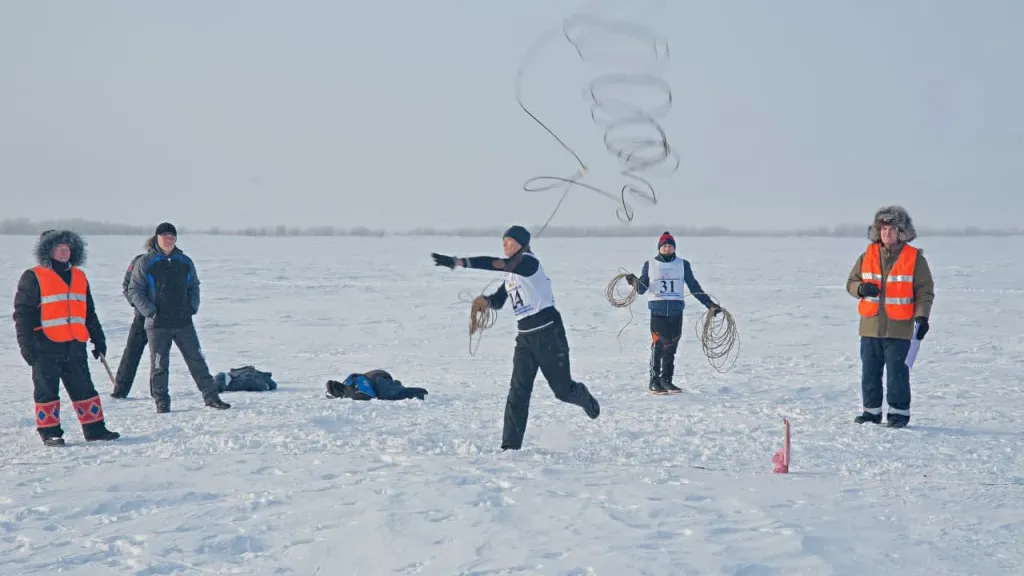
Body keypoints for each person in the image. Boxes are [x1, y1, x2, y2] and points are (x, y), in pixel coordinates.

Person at [430, 225, 600, 451]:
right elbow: (500, 300)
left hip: (549, 334)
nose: (505, 245)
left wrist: (459, 262)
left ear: (523, 243)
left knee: (562, 391)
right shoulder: (512, 274)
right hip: (525, 339)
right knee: (518, 392)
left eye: (509, 241)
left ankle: (583, 396)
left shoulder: (529, 263)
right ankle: (510, 446)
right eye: (503, 241)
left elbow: (497, 263)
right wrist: (485, 302)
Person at [13, 229, 121, 446]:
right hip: (45, 345)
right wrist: (26, 345)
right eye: (58, 248)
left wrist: (98, 339)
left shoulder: (79, 276)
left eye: (67, 248)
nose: (64, 252)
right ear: (47, 250)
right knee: (47, 391)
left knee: (84, 389)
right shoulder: (34, 276)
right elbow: (23, 313)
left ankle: (95, 430)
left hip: (75, 344)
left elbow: (88, 311)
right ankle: (51, 433)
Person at [126, 222, 231, 413]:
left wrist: (192, 307)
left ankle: (212, 397)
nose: (168, 240)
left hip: (183, 321)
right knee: (159, 364)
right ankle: (162, 402)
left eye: (172, 236)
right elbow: (134, 290)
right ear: (157, 238)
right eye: (164, 236)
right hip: (157, 323)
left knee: (197, 360)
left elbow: (194, 285)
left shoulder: (185, 261)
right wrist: (151, 311)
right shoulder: (145, 262)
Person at [846, 206, 934, 428]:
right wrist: (861, 289)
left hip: (899, 329)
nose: (887, 233)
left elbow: (924, 291)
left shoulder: (915, 259)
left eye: (891, 229)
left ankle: (898, 415)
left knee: (897, 376)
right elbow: (851, 283)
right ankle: (871, 412)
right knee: (870, 374)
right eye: (883, 228)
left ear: (901, 232)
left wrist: (922, 317)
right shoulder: (867, 255)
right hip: (870, 328)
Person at [625, 231, 720, 394]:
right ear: (659, 248)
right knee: (660, 344)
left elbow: (694, 286)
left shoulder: (683, 264)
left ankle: (666, 380)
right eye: (664, 246)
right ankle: (654, 381)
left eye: (670, 246)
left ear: (674, 248)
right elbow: (642, 289)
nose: (667, 248)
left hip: (676, 311)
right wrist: (634, 281)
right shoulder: (650, 264)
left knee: (672, 346)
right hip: (658, 311)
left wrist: (709, 304)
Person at [110, 250, 149, 398]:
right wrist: (137, 304)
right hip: (142, 317)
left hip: (165, 318)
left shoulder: (169, 261)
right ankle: (120, 390)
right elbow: (127, 285)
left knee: (159, 356)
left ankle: (158, 390)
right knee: (131, 353)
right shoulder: (139, 260)